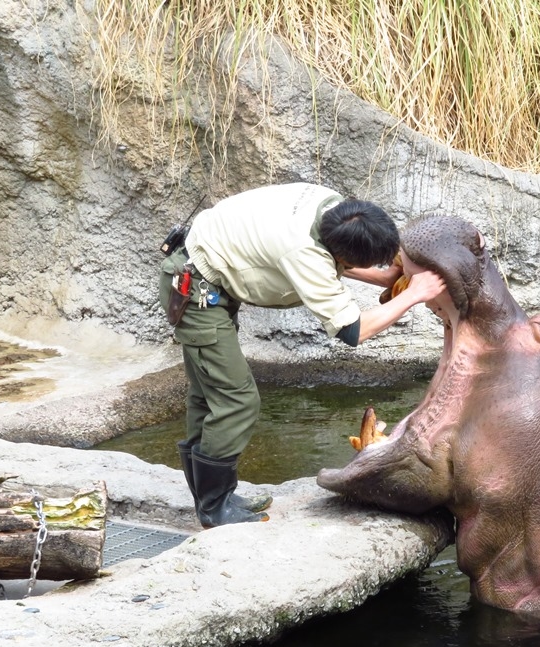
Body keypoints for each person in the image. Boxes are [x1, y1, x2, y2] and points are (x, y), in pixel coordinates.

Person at [158, 182, 446, 528]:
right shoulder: (303, 252)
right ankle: (214, 508)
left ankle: (216, 497)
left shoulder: (332, 208)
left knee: (208, 397)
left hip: (203, 274)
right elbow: (352, 330)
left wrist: (386, 278)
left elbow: (333, 260)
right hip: (198, 294)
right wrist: (414, 295)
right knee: (235, 400)